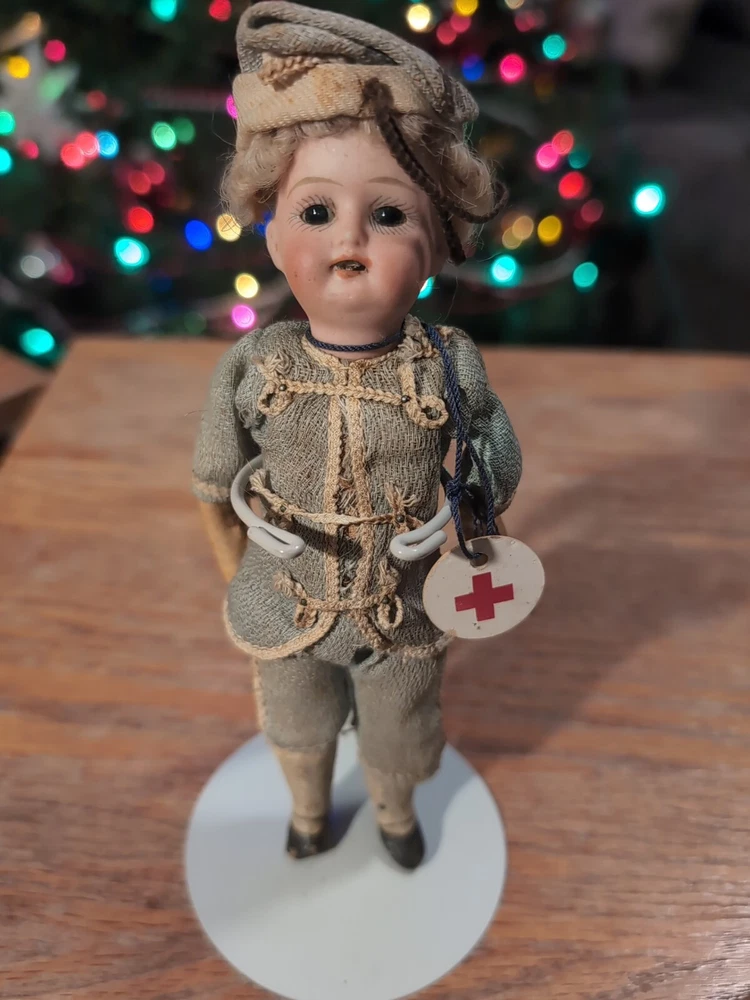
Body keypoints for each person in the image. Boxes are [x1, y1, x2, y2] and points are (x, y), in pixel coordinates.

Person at [192, 0, 522, 869]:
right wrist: (240, 540)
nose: (349, 238)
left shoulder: (445, 362)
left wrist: (461, 514)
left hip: (404, 607)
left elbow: (490, 449)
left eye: (388, 215)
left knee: (402, 728)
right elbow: (214, 479)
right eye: (315, 213)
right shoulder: (255, 364)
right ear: (272, 234)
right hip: (285, 598)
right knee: (295, 721)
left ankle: (394, 812)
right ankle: (307, 812)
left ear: (438, 243)